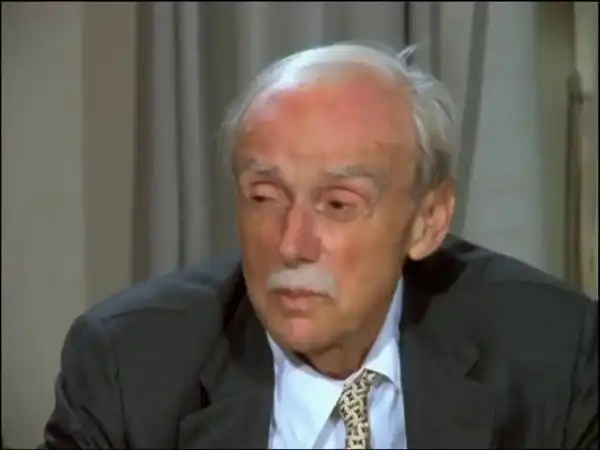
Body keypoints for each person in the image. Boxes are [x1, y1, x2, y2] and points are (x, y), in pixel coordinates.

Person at [41, 42, 597, 449]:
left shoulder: (554, 353)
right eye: (265, 197)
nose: (292, 244)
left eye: (337, 204)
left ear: (428, 221)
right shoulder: (127, 365)